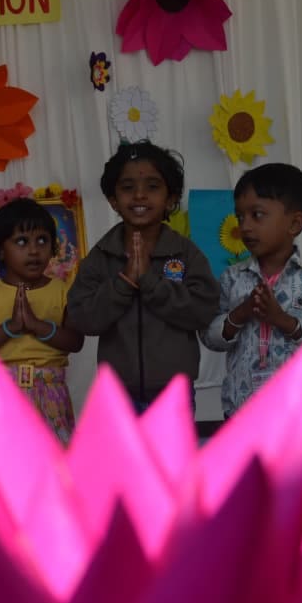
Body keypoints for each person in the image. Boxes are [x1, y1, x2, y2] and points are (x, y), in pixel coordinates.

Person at [66, 141, 220, 411]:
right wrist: (123, 283)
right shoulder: (102, 255)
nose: (139, 195)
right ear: (113, 200)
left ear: (170, 199)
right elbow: (82, 317)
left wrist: (150, 281)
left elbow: (203, 310)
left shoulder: (185, 253)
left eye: (152, 186)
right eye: (127, 188)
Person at [202, 163, 302, 417]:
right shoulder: (232, 278)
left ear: (294, 223)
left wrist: (283, 320)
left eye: (257, 215)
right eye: (240, 217)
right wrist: (240, 314)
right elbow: (210, 337)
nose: (245, 226)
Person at [0, 198, 84, 441]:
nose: (34, 250)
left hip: (51, 393)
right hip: (1, 394)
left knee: (52, 458)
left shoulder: (63, 291)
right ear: (0, 251)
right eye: (21, 241)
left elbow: (75, 341)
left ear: (53, 247)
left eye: (42, 240)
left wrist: (37, 326)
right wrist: (11, 327)